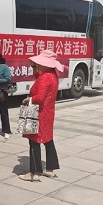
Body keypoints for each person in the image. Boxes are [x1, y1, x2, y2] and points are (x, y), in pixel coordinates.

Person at [19, 50, 62, 182]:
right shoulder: (53, 75)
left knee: (34, 141)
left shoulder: (44, 77)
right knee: (48, 140)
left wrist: (28, 99)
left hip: (38, 114)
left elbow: (40, 98)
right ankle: (50, 169)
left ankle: (33, 173)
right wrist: (35, 68)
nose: (37, 65)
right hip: (48, 112)